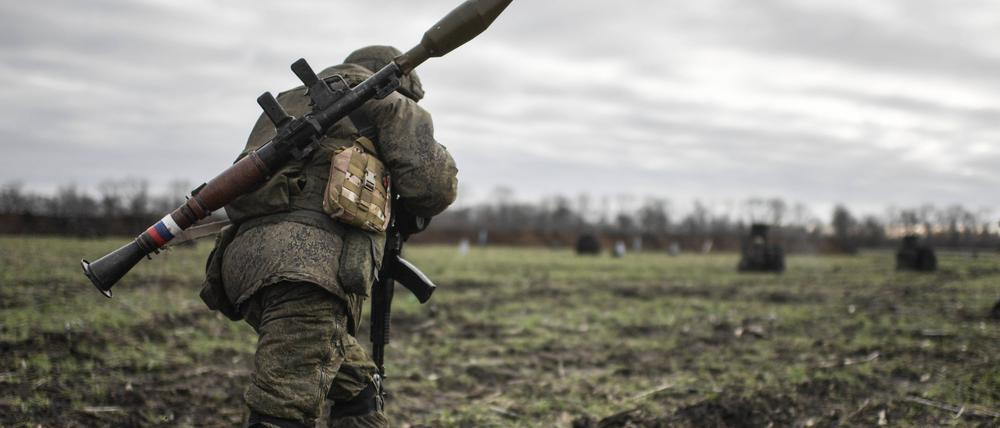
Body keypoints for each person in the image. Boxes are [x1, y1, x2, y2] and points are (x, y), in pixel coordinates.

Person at [203, 45, 458, 428]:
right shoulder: (388, 101)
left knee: (355, 384)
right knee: (283, 407)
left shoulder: (292, 99)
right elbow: (432, 188)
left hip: (242, 263)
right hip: (309, 269)